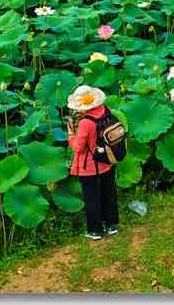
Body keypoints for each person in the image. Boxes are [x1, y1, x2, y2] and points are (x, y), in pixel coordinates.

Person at [66, 85, 119, 241]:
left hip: (90, 167)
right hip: (107, 160)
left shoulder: (85, 123)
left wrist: (70, 134)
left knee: (92, 198)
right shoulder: (106, 110)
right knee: (109, 194)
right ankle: (111, 226)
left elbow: (78, 147)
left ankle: (95, 231)